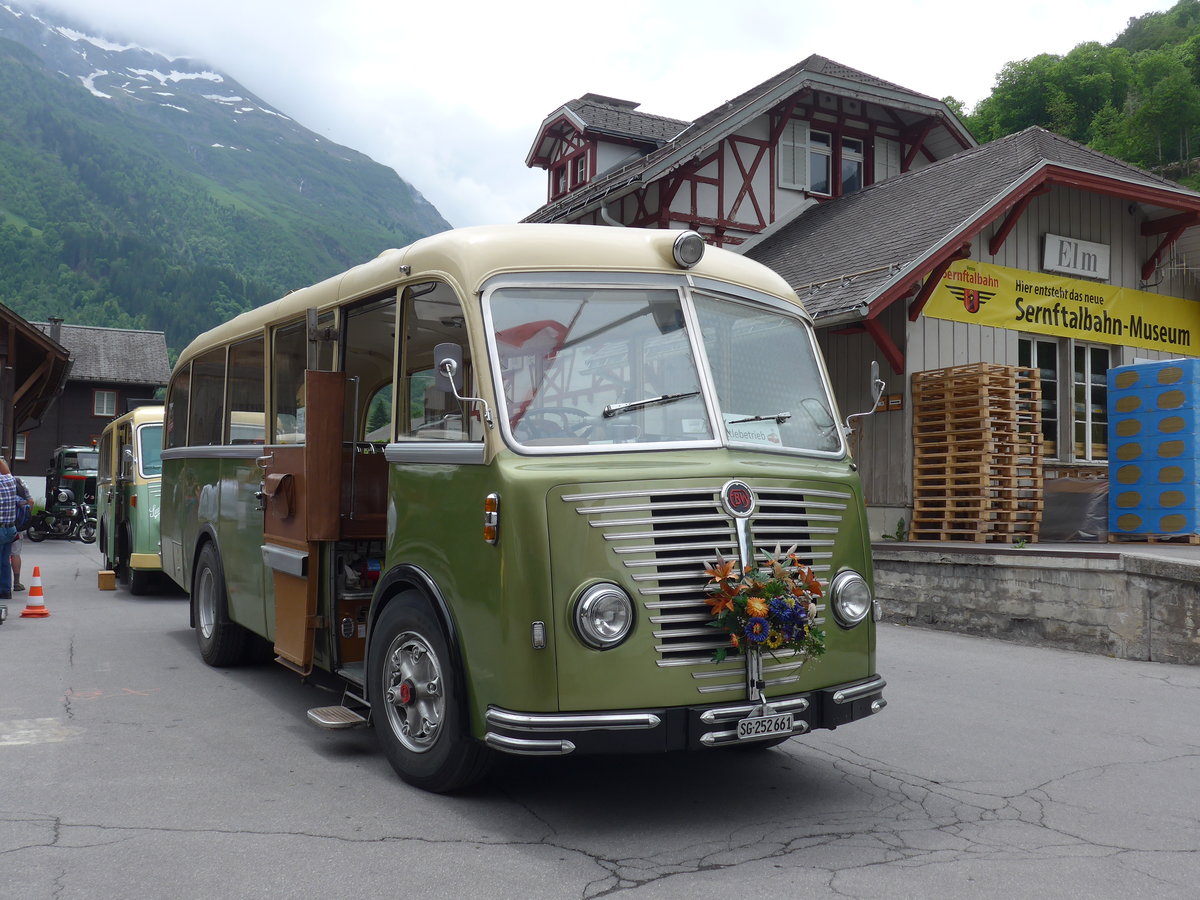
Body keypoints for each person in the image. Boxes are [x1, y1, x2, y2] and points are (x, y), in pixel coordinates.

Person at [0, 458, 17, 601]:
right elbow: (7, 471)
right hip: (10, 528)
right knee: (5, 560)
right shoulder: (10, 481)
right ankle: (5, 590)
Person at [11, 475, 30, 591]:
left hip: (3, 524)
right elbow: (30, 502)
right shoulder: (19, 481)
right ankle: (16, 583)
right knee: (15, 553)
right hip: (17, 526)